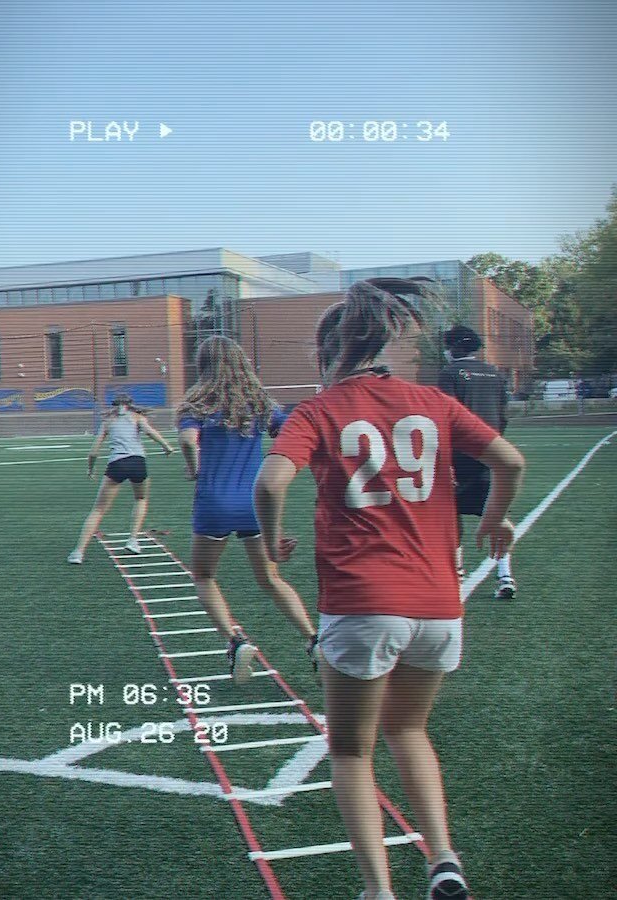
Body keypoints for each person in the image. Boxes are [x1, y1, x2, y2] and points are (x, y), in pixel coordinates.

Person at [254, 279, 525, 900]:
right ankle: (445, 859)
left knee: (350, 750)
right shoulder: (431, 400)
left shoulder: (317, 411)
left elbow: (271, 484)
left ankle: (379, 890)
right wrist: (492, 520)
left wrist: (272, 543)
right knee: (410, 730)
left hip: (361, 600)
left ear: (328, 353)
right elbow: (509, 461)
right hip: (439, 602)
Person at [176, 335, 319, 684]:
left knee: (205, 576)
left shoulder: (196, 404)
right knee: (270, 578)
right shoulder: (259, 403)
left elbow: (186, 440)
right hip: (254, 504)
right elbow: (291, 430)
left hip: (214, 504)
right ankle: (314, 640)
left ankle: (234, 640)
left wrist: (194, 466)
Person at [438, 325, 516, 599]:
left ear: (454, 347)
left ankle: (456, 576)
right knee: (496, 513)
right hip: (488, 453)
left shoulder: (449, 374)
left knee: (451, 515)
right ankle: (505, 575)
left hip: (458, 457)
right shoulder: (495, 373)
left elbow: (445, 415)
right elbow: (503, 413)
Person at [68, 393, 174, 563]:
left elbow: (94, 451)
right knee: (141, 499)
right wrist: (166, 446)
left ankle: (78, 552)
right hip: (138, 463)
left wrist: (90, 469)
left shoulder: (108, 422)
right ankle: (133, 540)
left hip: (117, 464)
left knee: (98, 509)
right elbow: (150, 432)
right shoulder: (137, 417)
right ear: (130, 404)